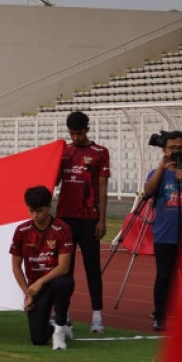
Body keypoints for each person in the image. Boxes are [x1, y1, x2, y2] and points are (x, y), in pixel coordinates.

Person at [56, 111, 110, 332]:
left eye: (79, 133)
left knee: (92, 269)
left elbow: (102, 187)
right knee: (64, 270)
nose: (76, 137)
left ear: (87, 129)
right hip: (65, 219)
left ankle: (97, 315)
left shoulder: (100, 152)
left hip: (89, 218)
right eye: (72, 133)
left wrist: (102, 219)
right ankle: (64, 314)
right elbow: (55, 180)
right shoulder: (64, 152)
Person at [144, 130, 182, 331]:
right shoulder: (156, 173)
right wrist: (162, 167)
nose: (175, 151)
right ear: (164, 150)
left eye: (179, 148)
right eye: (171, 148)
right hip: (164, 235)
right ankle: (160, 316)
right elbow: (149, 191)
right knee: (164, 277)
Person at [10, 186, 75, 350]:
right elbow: (16, 266)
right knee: (38, 339)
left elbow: (64, 267)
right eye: (31, 211)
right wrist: (28, 293)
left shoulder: (62, 229)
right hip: (37, 289)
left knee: (63, 283)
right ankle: (53, 328)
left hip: (54, 281)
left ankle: (60, 327)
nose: (35, 216)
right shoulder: (22, 231)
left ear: (48, 206)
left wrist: (41, 281)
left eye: (39, 211)